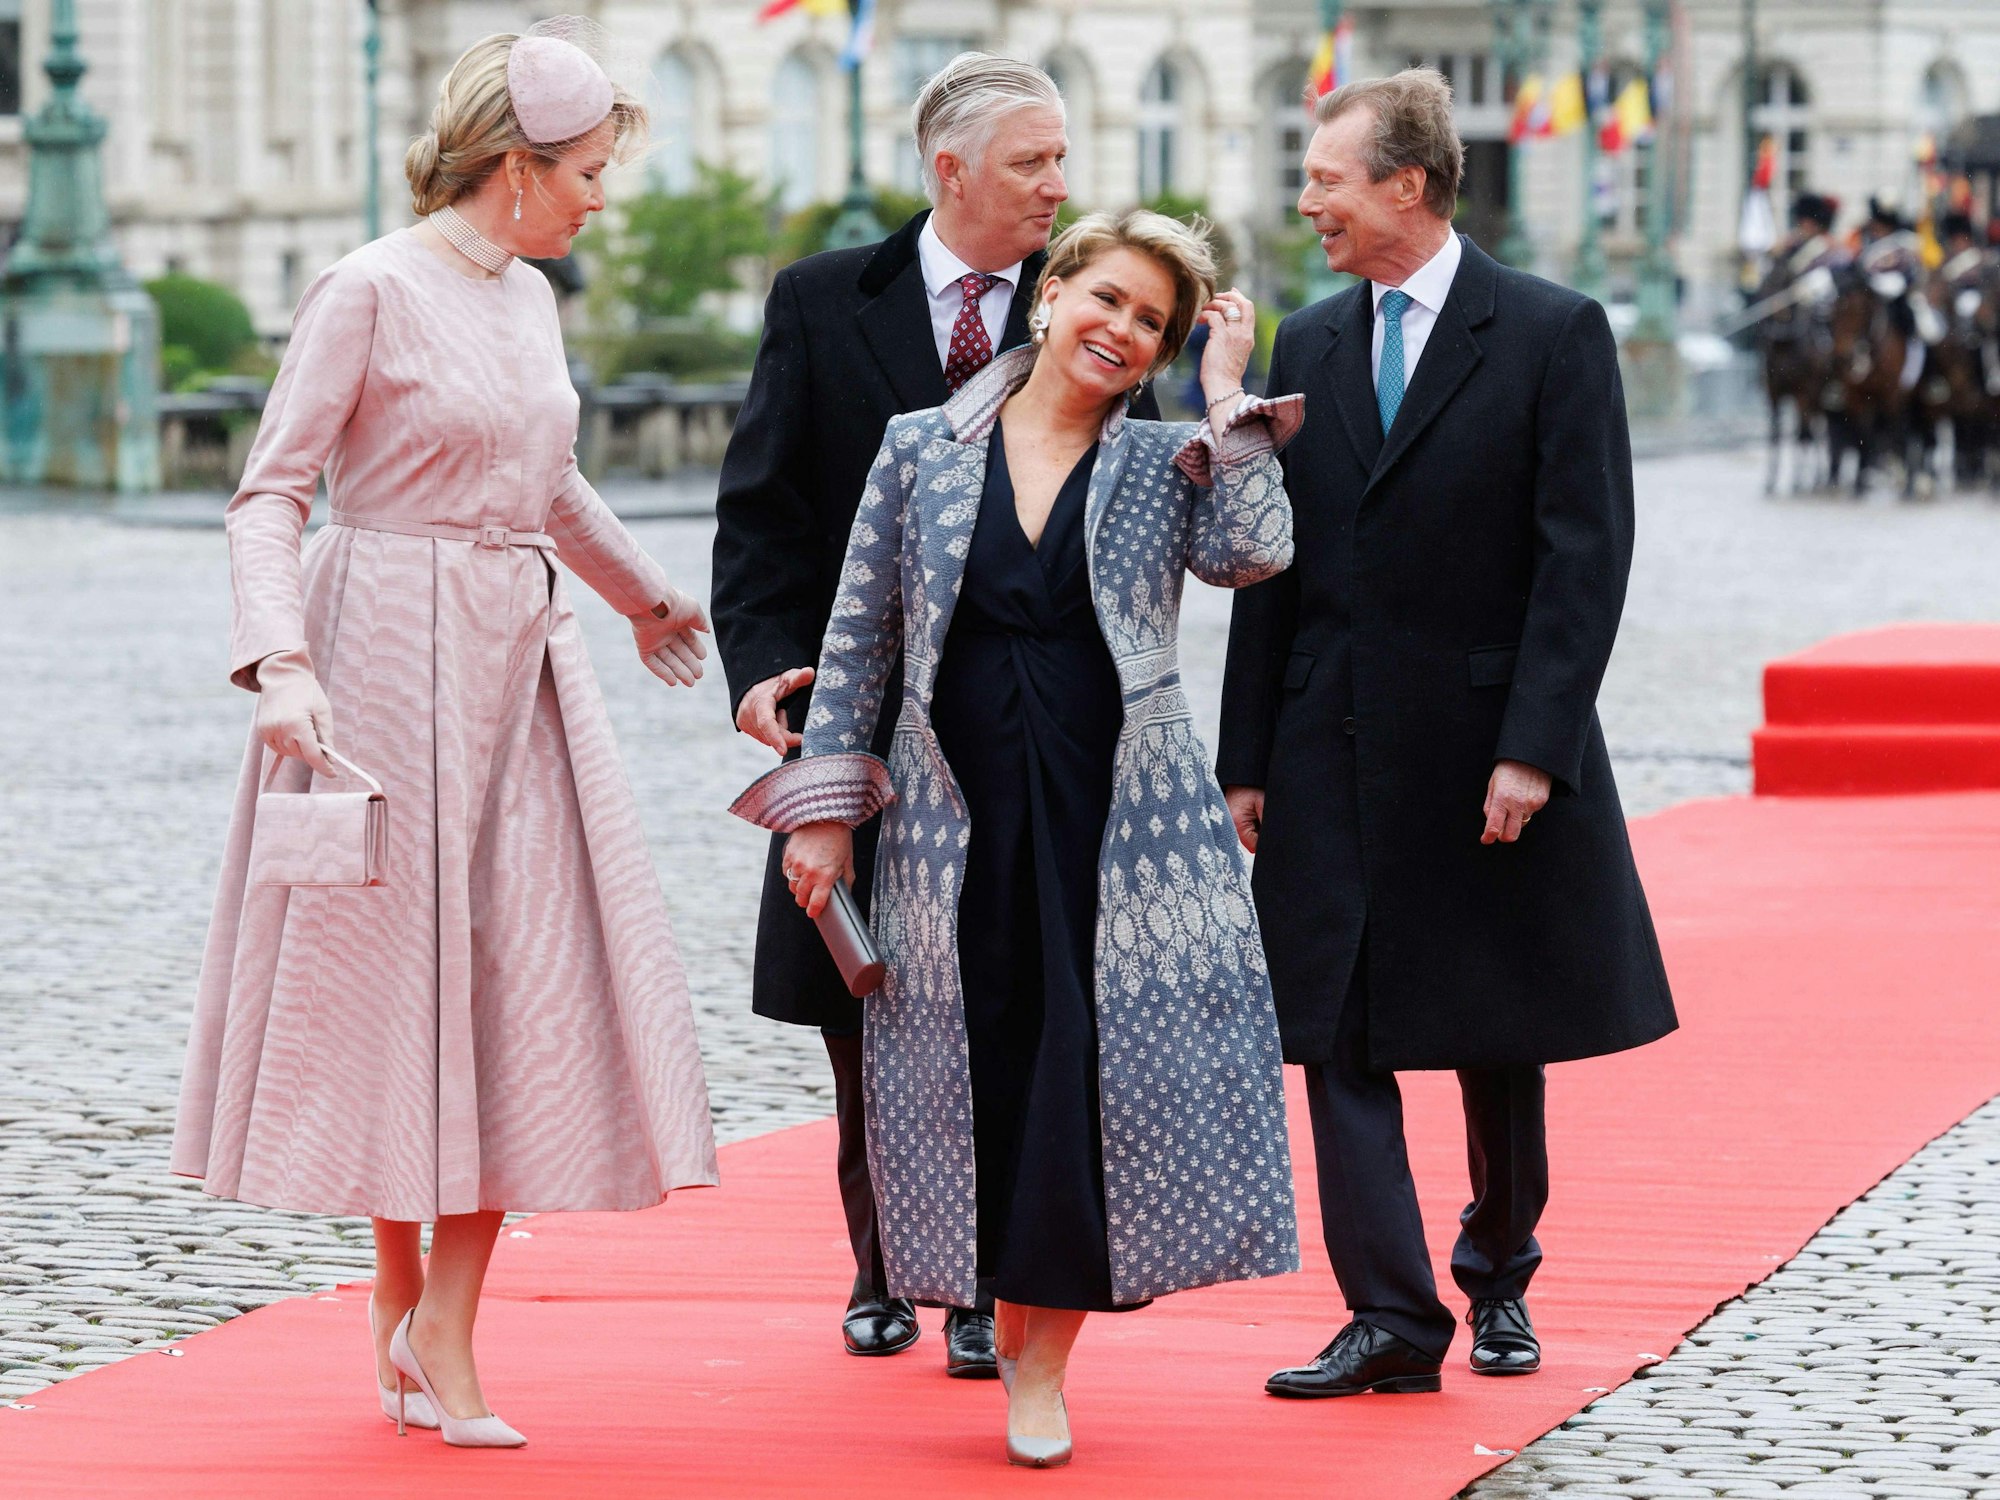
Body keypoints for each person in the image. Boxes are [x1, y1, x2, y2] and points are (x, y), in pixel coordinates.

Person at [170, 25, 719, 1449]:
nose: (604, 199)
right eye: (588, 173)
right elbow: (270, 491)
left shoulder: (532, 298)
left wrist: (647, 595)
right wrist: (278, 661)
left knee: (519, 980)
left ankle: (444, 1331)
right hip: (376, 648)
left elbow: (550, 480)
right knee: (390, 988)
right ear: (516, 165)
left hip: (516, 656)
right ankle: (399, 1303)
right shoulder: (367, 286)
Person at [733, 210, 1302, 1467]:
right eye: (1105, 298)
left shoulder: (1167, 462)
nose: (1120, 329)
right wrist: (821, 819)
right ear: (1049, 297)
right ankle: (978, 1304)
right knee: (973, 1073)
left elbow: (1258, 553)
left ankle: (1038, 1366)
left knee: (1080, 1084)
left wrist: (1224, 398)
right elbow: (856, 641)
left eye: (1149, 320)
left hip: (1121, 830)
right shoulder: (916, 449)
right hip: (952, 825)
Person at [1218, 69, 1677, 1401]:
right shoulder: (1305, 344)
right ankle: (1390, 1317)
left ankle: (1501, 1268)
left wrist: (1536, 746)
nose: (1307, 202)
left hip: (1487, 751)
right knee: (1338, 1034)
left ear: (1406, 186)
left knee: (1494, 1031)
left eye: (1326, 180)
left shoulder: (1550, 331)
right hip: (1327, 745)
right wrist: (1248, 758)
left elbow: (1583, 557)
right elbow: (1275, 569)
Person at [710, 51, 1156, 1374]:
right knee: (868, 1003)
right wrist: (764, 672)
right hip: (856, 726)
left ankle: (984, 1289)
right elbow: (762, 511)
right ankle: (883, 1267)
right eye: (1032, 161)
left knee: (1011, 999)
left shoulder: (1083, 308)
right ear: (949, 169)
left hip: (1026, 728)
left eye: (1063, 158)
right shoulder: (816, 301)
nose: (1057, 185)